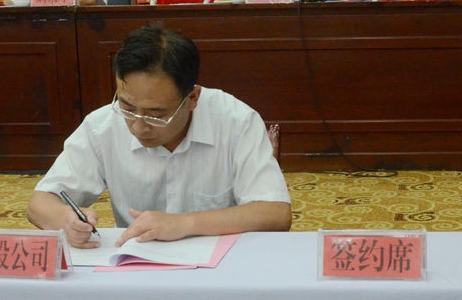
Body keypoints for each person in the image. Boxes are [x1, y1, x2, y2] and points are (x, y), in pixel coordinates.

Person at [27, 25, 291, 248]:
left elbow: (275, 213)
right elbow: (39, 203)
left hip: (221, 267)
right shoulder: (103, 126)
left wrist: (184, 224)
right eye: (128, 107)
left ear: (192, 98)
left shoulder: (236, 122)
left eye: (156, 115)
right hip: (137, 266)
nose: (138, 126)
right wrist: (65, 220)